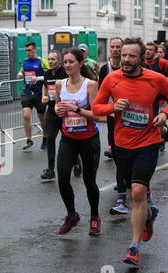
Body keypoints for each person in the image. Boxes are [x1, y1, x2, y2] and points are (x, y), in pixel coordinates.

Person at [93, 37, 168, 266]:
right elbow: (96, 107)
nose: (126, 60)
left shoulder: (156, 79)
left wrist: (164, 114)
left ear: (142, 58)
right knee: (134, 193)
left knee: (137, 193)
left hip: (148, 143)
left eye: (131, 56)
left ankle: (133, 247)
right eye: (123, 55)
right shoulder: (111, 79)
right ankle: (149, 215)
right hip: (122, 145)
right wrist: (112, 107)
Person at [54, 47, 101, 236]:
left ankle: (95, 217)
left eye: (71, 62)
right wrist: (59, 110)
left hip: (89, 139)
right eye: (65, 62)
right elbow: (58, 106)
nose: (67, 65)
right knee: (63, 178)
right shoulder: (59, 84)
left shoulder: (90, 85)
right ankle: (71, 215)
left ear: (80, 64)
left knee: (89, 181)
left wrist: (76, 108)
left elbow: (97, 115)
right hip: (68, 138)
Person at [39, 50, 68, 180]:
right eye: (49, 59)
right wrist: (44, 96)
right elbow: (45, 86)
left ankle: (76, 161)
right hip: (51, 109)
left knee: (67, 138)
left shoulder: (64, 73)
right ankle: (51, 169)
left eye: (53, 59)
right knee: (51, 138)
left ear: (59, 61)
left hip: (64, 109)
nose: (50, 62)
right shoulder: (47, 73)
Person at [17, 41, 49, 151]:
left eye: (30, 50)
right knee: (26, 116)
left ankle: (45, 137)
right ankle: (29, 140)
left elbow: (49, 75)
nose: (27, 52)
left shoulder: (42, 61)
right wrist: (20, 74)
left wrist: (38, 79)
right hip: (27, 92)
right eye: (26, 50)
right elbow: (21, 71)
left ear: (35, 50)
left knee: (42, 118)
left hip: (40, 93)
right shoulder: (25, 62)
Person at [99, 37, 123, 161]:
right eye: (112, 47)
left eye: (118, 47)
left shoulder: (128, 66)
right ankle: (113, 149)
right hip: (111, 107)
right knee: (111, 130)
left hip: (126, 107)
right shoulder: (105, 69)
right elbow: (101, 90)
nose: (115, 50)